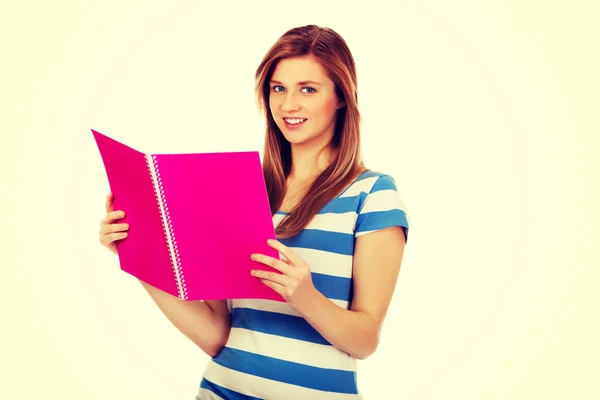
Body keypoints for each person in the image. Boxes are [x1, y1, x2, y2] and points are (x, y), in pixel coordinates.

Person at [99, 24, 409, 399]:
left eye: (307, 89)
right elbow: (216, 335)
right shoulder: (244, 190)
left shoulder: (372, 193)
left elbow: (365, 340)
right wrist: (137, 256)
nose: (288, 105)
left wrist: (305, 296)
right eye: (278, 88)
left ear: (341, 96)